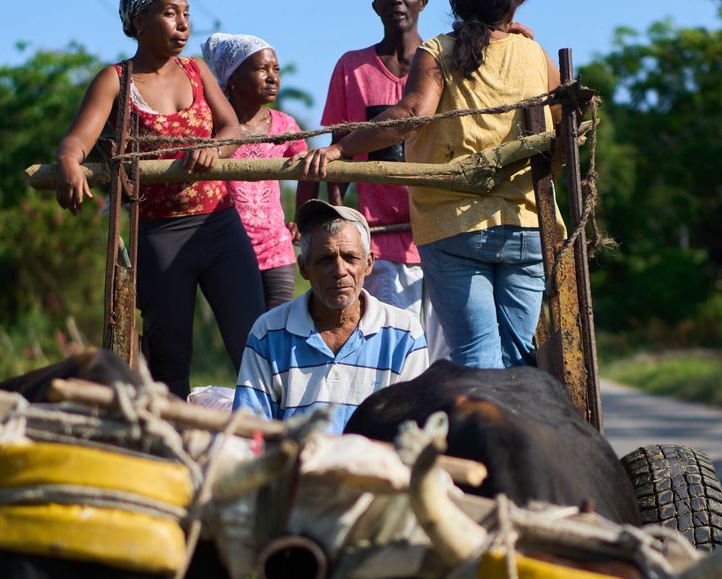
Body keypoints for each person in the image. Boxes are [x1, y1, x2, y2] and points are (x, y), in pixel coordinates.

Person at [224, 199, 430, 579]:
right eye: (324, 258)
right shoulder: (270, 332)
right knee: (247, 556)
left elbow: (409, 438)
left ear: (368, 265)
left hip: (371, 503)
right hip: (294, 507)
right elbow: (248, 434)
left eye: (348, 257)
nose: (338, 269)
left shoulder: (403, 332)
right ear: (304, 266)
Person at [301, 0, 563, 370]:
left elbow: (411, 116)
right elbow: (563, 121)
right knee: (517, 355)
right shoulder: (535, 55)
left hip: (452, 226)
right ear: (515, 7)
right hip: (524, 224)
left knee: (476, 356)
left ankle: (480, 427)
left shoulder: (439, 51)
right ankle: (512, 425)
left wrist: (341, 148)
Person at [54, 0, 264, 398]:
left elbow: (232, 128)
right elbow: (78, 139)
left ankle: (273, 443)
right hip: (159, 238)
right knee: (169, 361)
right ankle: (173, 450)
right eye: (170, 13)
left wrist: (214, 150)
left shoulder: (197, 71)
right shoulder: (116, 79)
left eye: (186, 13)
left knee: (255, 346)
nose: (183, 24)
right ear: (139, 20)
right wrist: (68, 160)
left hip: (220, 227)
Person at [300, 0, 449, 358]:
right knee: (395, 352)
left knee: (447, 358)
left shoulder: (445, 62)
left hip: (444, 234)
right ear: (375, 5)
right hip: (385, 243)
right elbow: (340, 150)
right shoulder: (352, 69)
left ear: (424, 2)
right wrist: (336, 219)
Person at [201, 33, 309, 311]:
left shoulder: (284, 125)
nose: (273, 77)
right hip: (229, 247)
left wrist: (302, 215)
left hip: (276, 247)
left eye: (276, 69)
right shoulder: (213, 129)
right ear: (233, 77)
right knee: (245, 334)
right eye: (262, 69)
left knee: (279, 327)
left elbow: (307, 169)